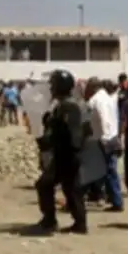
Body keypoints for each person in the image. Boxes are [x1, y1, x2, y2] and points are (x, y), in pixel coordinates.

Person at [34, 69, 88, 234]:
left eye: (53, 85)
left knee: (48, 185)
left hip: (67, 155)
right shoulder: (67, 105)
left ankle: (51, 220)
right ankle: (77, 222)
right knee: (70, 188)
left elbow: (71, 134)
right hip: (66, 154)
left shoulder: (69, 107)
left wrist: (51, 137)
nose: (51, 88)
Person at [86, 78, 123, 212]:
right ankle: (113, 199)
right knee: (110, 171)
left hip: (103, 139)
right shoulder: (108, 98)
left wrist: (104, 138)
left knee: (107, 171)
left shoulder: (96, 100)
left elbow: (103, 118)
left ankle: (113, 200)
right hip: (112, 136)